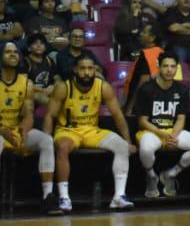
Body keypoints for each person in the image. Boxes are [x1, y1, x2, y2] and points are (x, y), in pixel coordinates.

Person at [44, 54, 136, 212]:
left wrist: (127, 141)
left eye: (90, 68)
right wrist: (47, 140)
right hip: (68, 131)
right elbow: (49, 116)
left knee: (121, 146)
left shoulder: (103, 86)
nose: (86, 72)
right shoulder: (63, 87)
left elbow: (118, 116)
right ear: (75, 70)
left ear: (95, 70)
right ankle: (64, 197)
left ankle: (119, 197)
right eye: (82, 68)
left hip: (92, 130)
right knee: (63, 147)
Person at [0, 42, 56, 215]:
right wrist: (1, 132)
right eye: (8, 52)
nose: (13, 55)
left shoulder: (26, 83)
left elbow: (29, 114)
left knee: (46, 140)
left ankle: (48, 197)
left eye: (16, 52)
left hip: (13, 130)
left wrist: (25, 127)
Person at [133, 50, 190, 198]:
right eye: (165, 66)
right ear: (158, 67)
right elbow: (142, 121)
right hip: (152, 131)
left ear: (177, 68)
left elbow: (181, 119)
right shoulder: (146, 89)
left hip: (172, 131)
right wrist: (163, 135)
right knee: (146, 149)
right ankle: (151, 176)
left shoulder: (183, 90)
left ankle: (171, 174)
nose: (169, 70)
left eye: (173, 66)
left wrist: (173, 135)